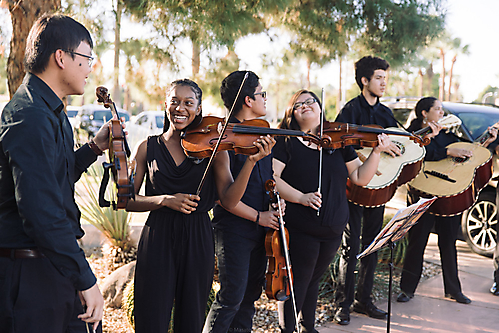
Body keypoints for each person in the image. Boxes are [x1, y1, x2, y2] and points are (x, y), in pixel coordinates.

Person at [127, 78, 274, 332]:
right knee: (150, 314)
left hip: (197, 236)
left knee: (192, 316)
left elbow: (228, 200)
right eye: (174, 101)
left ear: (199, 108)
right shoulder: (146, 148)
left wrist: (250, 162)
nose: (180, 108)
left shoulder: (214, 149)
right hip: (157, 236)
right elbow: (126, 200)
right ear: (165, 105)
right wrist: (164, 200)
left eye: (188, 103)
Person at [0, 13, 106, 333]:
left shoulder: (51, 110)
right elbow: (41, 210)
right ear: (61, 57)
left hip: (52, 265)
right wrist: (85, 280)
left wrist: (94, 148)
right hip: (29, 276)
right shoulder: (29, 115)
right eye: (87, 58)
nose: (91, 68)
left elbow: (55, 178)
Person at [273, 89, 391, 332]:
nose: (305, 106)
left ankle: (308, 326)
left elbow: (360, 177)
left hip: (334, 227)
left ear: (320, 107)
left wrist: (377, 152)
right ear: (291, 113)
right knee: (298, 281)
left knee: (313, 279)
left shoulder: (337, 141)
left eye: (310, 101)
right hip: (302, 226)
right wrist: (301, 197)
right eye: (298, 104)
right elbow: (272, 178)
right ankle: (287, 329)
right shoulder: (286, 141)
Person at [397, 97, 497, 304]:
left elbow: (466, 152)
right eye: (438, 109)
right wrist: (446, 151)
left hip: (449, 194)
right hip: (422, 193)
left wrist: (486, 140)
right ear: (424, 113)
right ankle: (407, 289)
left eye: (442, 109)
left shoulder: (448, 135)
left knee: (448, 241)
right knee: (417, 242)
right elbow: (416, 153)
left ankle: (453, 289)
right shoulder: (415, 134)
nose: (441, 113)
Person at [203, 70, 280, 333]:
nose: (264, 99)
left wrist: (276, 204)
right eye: (262, 94)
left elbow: (268, 181)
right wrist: (260, 217)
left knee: (249, 299)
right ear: (248, 100)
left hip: (262, 231)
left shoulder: (263, 134)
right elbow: (226, 199)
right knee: (230, 299)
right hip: (235, 231)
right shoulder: (223, 138)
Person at [333, 55, 401, 325]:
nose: (384, 83)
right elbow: (339, 142)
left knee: (373, 247)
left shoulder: (386, 114)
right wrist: (363, 157)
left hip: (378, 190)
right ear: (364, 80)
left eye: (386, 78)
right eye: (379, 78)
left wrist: (398, 146)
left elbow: (401, 142)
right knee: (351, 248)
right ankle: (343, 304)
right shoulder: (350, 110)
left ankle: (364, 300)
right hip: (352, 188)